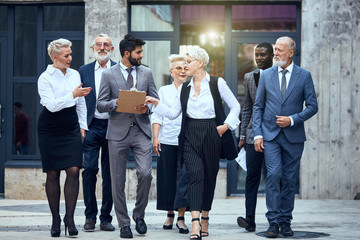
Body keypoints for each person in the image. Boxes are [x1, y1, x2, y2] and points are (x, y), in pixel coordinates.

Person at [145, 48, 240, 240]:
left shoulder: (216, 83)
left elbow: (235, 105)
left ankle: (205, 217)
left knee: (209, 178)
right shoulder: (185, 88)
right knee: (194, 176)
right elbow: (172, 113)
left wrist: (226, 126)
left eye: (189, 61)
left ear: (201, 63)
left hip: (212, 132)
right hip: (189, 135)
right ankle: (195, 223)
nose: (185, 65)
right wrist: (156, 103)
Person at [253, 36, 318, 238]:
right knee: (273, 176)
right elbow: (258, 107)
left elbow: (313, 106)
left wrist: (292, 119)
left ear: (291, 52)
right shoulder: (266, 75)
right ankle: (273, 222)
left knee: (289, 180)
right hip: (270, 136)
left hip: (294, 137)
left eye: (280, 50)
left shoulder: (304, 76)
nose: (276, 53)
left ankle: (285, 221)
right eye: (275, 49)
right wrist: (257, 134)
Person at [96, 34, 159, 239]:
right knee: (117, 181)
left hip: (141, 131)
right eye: (138, 52)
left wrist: (148, 105)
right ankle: (124, 223)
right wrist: (119, 102)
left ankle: (138, 215)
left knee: (146, 174)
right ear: (127, 53)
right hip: (117, 133)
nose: (141, 55)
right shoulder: (108, 74)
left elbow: (155, 100)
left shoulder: (147, 73)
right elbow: (100, 104)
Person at [37, 38, 92, 237]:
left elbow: (81, 103)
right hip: (49, 128)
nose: (70, 58)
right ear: (55, 57)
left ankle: (69, 217)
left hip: (71, 126)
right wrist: (73, 94)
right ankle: (55, 219)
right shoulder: (45, 77)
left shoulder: (75, 74)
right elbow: (51, 105)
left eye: (70, 54)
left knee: (74, 170)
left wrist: (83, 126)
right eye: (66, 55)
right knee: (52, 174)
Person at [79, 33, 116, 232]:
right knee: (90, 170)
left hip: (113, 127)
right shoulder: (83, 71)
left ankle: (105, 217)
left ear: (112, 49)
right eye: (98, 44)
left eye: (106, 45)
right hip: (91, 127)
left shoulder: (119, 70)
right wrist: (81, 125)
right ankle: (90, 216)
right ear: (93, 48)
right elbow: (78, 100)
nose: (102, 47)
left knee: (110, 174)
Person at [237, 42, 274, 232]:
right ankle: (249, 220)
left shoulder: (278, 76)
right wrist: (242, 135)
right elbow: (247, 108)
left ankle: (274, 220)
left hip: (274, 135)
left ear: (272, 56)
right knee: (252, 177)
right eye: (256, 54)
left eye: (263, 55)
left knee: (274, 178)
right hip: (253, 135)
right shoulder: (249, 77)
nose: (259, 58)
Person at [151, 54, 189, 234]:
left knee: (183, 179)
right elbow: (157, 115)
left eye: (184, 68)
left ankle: (181, 217)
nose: (182, 71)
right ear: (171, 72)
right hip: (167, 139)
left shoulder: (191, 88)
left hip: (187, 141)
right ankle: (170, 214)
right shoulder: (164, 90)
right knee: (167, 179)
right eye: (178, 68)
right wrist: (156, 138)